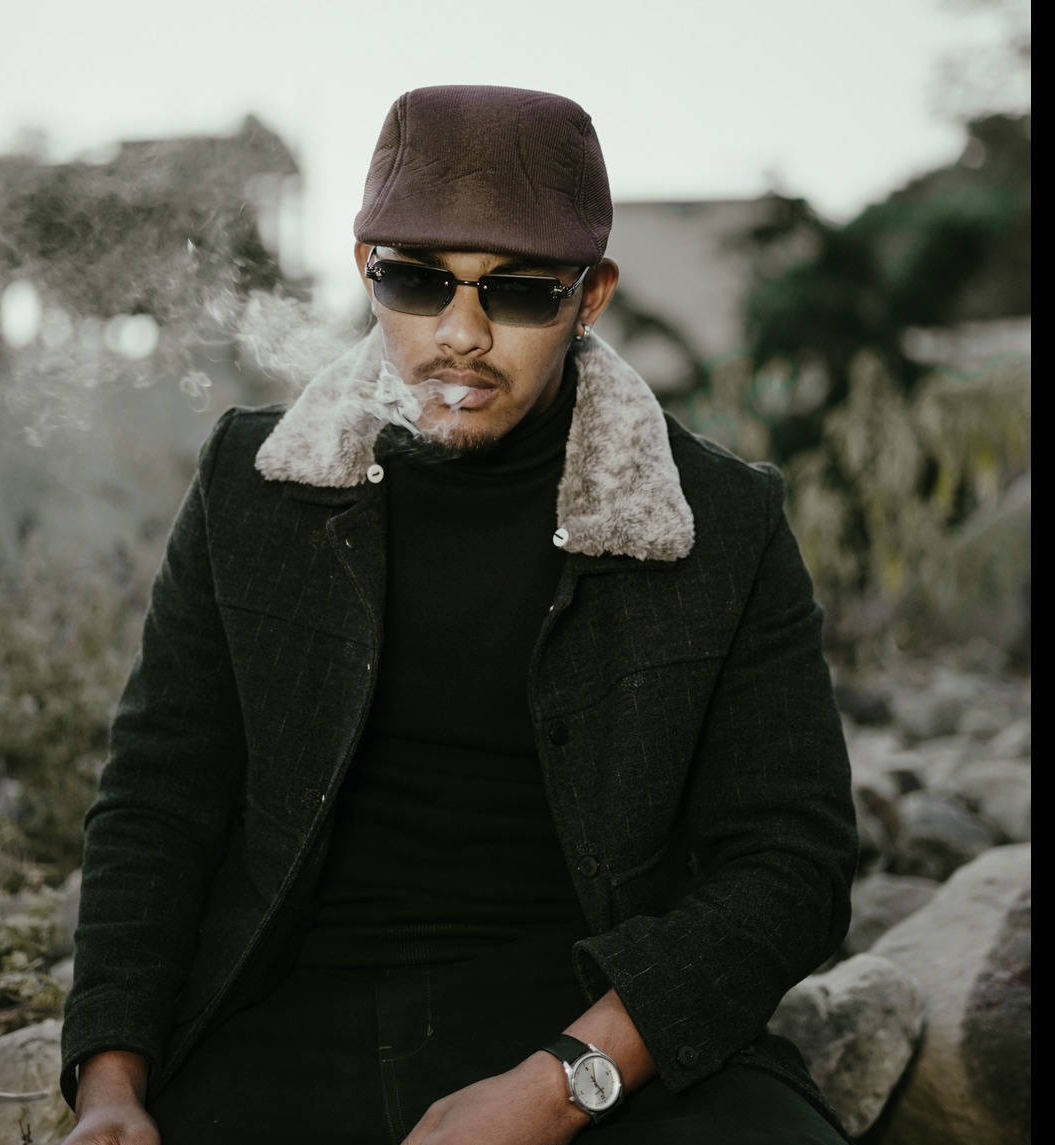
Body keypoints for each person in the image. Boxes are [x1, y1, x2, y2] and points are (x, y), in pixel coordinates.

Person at [60, 85, 858, 1144]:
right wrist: (111, 1086)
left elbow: (791, 861)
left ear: (590, 296)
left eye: (519, 292)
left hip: (595, 1022)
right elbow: (158, 799)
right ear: (365, 268)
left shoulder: (719, 520)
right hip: (285, 1019)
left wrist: (564, 1082)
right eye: (416, 279)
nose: (461, 333)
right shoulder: (255, 486)